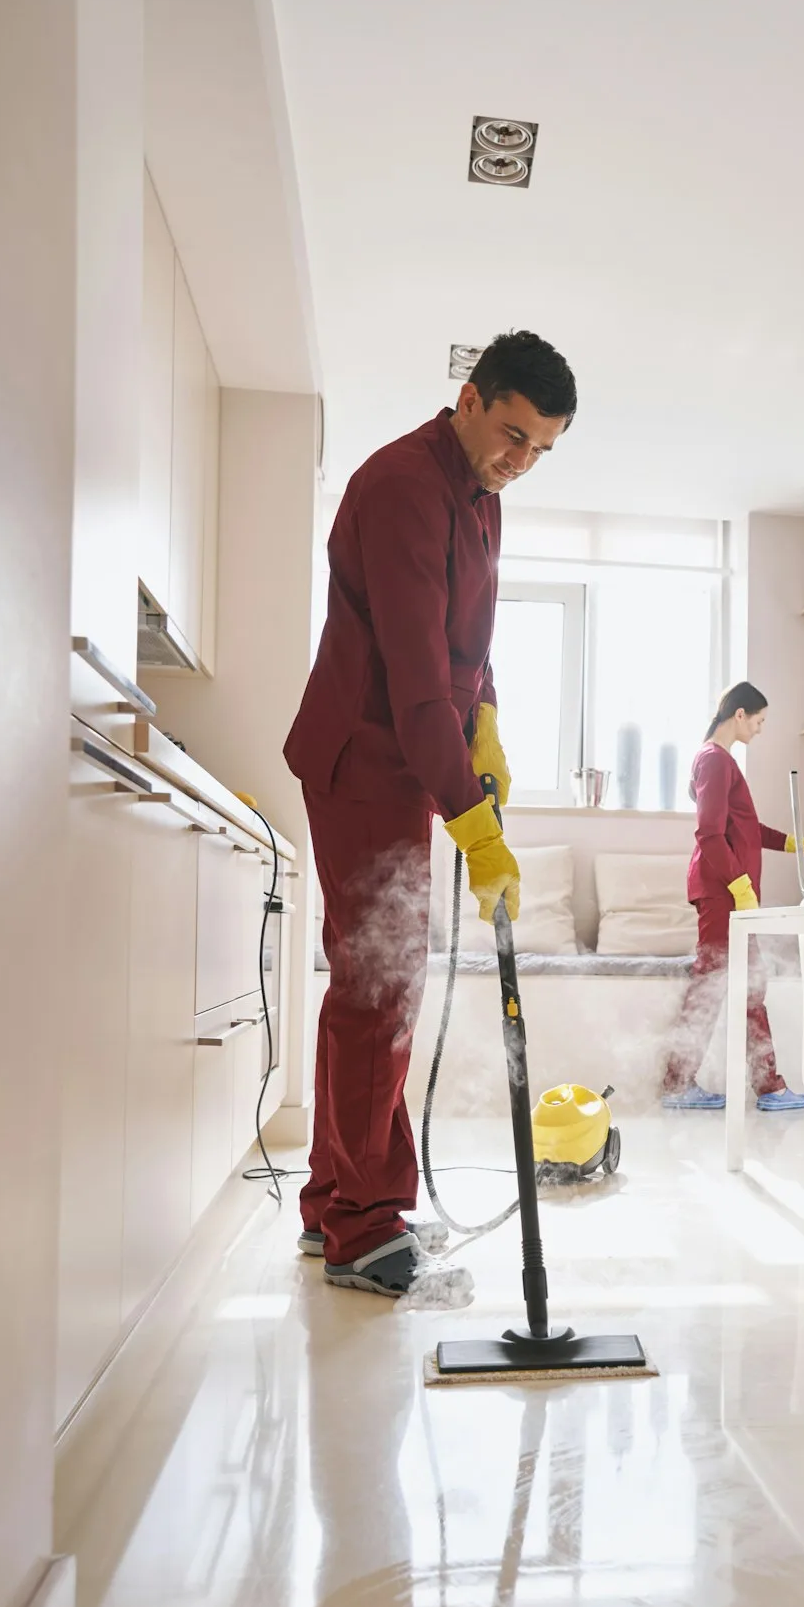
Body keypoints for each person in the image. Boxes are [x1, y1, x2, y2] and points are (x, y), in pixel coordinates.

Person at [284, 332, 577, 1298]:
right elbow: (414, 687)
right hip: (367, 756)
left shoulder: (480, 499)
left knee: (375, 986)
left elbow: (465, 649)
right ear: (468, 396)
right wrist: (475, 826)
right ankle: (361, 1230)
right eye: (510, 434)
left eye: (539, 448)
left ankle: (337, 1197)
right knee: (379, 989)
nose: (518, 460)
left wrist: (484, 719)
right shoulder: (405, 487)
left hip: (407, 759)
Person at [661, 682, 804, 1114]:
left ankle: (766, 1087)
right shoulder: (714, 761)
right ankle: (683, 1084)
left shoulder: (719, 762)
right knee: (712, 987)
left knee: (747, 989)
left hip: (728, 896)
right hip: (722, 895)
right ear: (740, 715)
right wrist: (738, 884)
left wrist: (793, 843)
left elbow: (744, 829)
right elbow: (709, 835)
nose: (761, 729)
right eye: (760, 720)